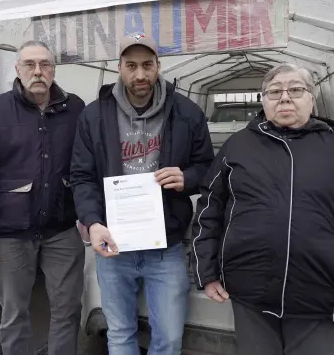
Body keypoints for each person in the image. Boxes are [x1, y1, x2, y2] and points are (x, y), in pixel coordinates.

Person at [70, 33, 214, 355]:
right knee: (120, 334)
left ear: (158, 66)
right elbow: (81, 176)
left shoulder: (187, 113)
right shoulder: (94, 116)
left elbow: (208, 166)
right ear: (119, 68)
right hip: (113, 245)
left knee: (170, 338)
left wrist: (186, 177)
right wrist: (93, 223)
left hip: (166, 246)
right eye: (131, 65)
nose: (140, 75)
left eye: (147, 65)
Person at [192, 63, 334, 355]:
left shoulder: (330, 144)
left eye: (295, 89)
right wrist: (206, 273)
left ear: (311, 98)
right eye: (274, 91)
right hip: (250, 292)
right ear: (264, 101)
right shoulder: (237, 146)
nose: (284, 97)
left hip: (317, 295)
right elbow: (209, 211)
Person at [0, 40, 86, 355]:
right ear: (17, 69)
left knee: (68, 307)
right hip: (10, 233)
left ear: (53, 69)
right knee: (14, 313)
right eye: (30, 65)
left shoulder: (74, 109)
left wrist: (90, 216)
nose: (38, 71)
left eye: (45, 64)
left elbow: (88, 165)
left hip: (62, 229)